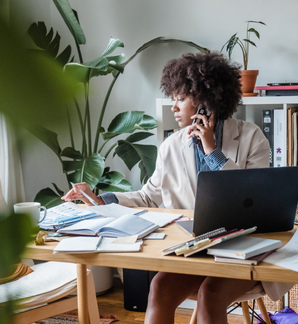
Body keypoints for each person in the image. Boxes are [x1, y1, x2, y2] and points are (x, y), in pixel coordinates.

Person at [62, 51, 280, 324]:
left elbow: (254, 199)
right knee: (159, 288)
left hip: (244, 246)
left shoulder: (251, 137)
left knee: (210, 293)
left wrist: (212, 151)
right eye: (173, 99)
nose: (174, 107)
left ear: (204, 102)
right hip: (197, 247)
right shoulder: (171, 146)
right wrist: (100, 198)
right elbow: (148, 196)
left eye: (180, 99)